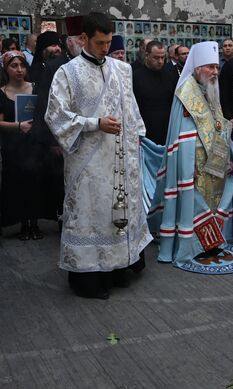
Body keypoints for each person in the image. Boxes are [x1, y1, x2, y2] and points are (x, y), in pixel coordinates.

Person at [45, 12, 152, 299]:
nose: (106, 48)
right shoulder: (67, 73)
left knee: (118, 211)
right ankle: (91, 280)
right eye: (100, 42)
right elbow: (55, 116)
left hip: (121, 156)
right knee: (93, 215)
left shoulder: (122, 69)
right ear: (83, 39)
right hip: (88, 163)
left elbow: (131, 110)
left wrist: (136, 142)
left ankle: (119, 269)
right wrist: (95, 124)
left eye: (109, 42)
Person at [147, 41, 233, 264]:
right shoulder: (187, 92)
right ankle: (191, 247)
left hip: (215, 159)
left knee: (213, 202)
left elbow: (217, 124)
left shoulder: (211, 88)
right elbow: (183, 137)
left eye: (216, 67)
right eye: (210, 67)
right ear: (197, 68)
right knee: (193, 205)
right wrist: (188, 167)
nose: (215, 72)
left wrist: (227, 151)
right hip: (194, 163)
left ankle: (213, 242)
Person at [32, 16, 86, 231]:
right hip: (63, 137)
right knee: (64, 183)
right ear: (70, 42)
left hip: (87, 134)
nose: (84, 45)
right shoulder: (56, 67)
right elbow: (46, 104)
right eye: (80, 41)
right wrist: (53, 140)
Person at [0, 51, 50, 239]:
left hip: (35, 144)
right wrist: (18, 126)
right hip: (13, 146)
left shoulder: (35, 88)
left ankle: (35, 223)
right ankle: (23, 224)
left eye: (22, 65)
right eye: (14, 66)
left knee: (36, 181)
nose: (19, 70)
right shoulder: (2, 92)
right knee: (18, 184)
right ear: (6, 68)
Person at [133, 41, 178, 145]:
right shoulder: (136, 77)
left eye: (163, 58)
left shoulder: (170, 75)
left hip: (167, 131)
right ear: (147, 55)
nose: (160, 61)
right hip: (145, 133)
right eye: (156, 58)